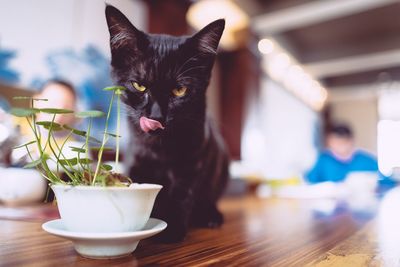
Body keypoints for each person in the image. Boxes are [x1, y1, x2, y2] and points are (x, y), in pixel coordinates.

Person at [306, 123, 379, 184]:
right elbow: (309, 182)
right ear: (329, 142)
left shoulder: (367, 160)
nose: (340, 146)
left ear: (351, 141)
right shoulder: (324, 160)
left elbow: (385, 182)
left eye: (343, 142)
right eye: (336, 142)